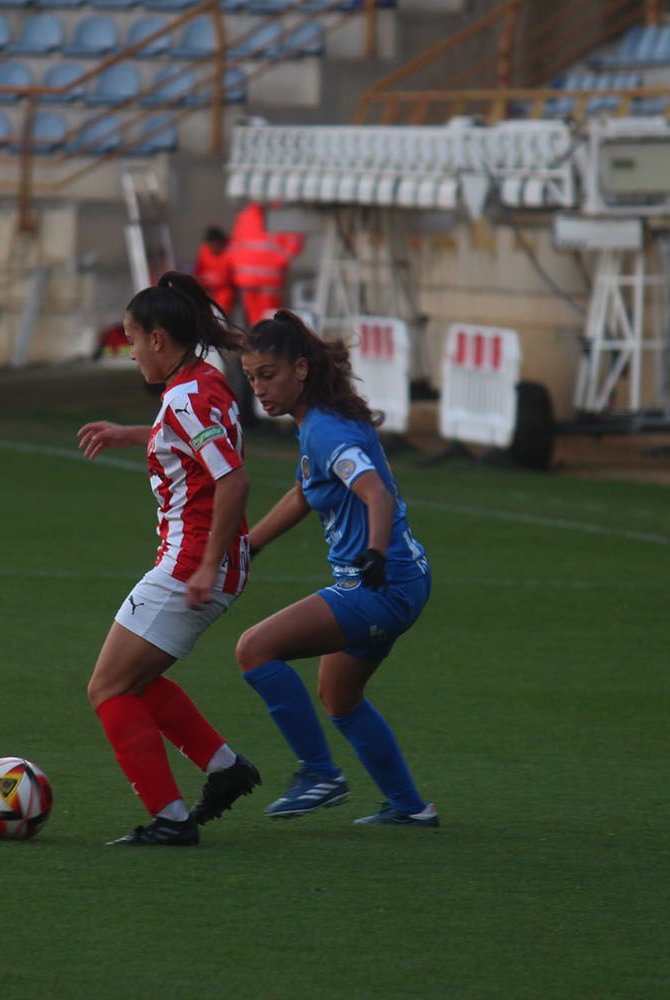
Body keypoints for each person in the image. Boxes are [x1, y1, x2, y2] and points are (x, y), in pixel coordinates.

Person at [75, 271, 262, 846]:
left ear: (159, 338)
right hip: (201, 561)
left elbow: (232, 480)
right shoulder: (202, 382)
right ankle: (225, 768)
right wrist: (131, 434)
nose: (129, 353)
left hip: (189, 565)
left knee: (107, 687)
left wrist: (205, 566)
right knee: (136, 681)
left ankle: (172, 820)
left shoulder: (183, 397)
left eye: (131, 340)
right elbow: (188, 436)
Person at [235, 311, 437, 828]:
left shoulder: (324, 430)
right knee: (339, 695)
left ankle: (319, 774)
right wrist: (248, 545)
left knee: (255, 649)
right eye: (251, 376)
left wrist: (371, 553)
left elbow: (374, 492)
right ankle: (411, 809)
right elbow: (306, 493)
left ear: (300, 369)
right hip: (404, 578)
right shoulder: (323, 418)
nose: (258, 388)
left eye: (268, 375)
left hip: (378, 585)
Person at [230, 203, 299, 326]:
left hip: (266, 280)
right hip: (250, 279)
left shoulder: (279, 215)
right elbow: (236, 244)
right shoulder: (246, 216)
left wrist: (279, 261)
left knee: (268, 319)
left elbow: (293, 242)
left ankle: (261, 342)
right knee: (258, 322)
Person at [193, 225, 236, 320]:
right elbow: (198, 273)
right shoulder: (204, 252)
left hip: (224, 291)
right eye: (211, 244)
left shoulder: (229, 252)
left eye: (215, 244)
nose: (213, 247)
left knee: (221, 314)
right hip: (207, 291)